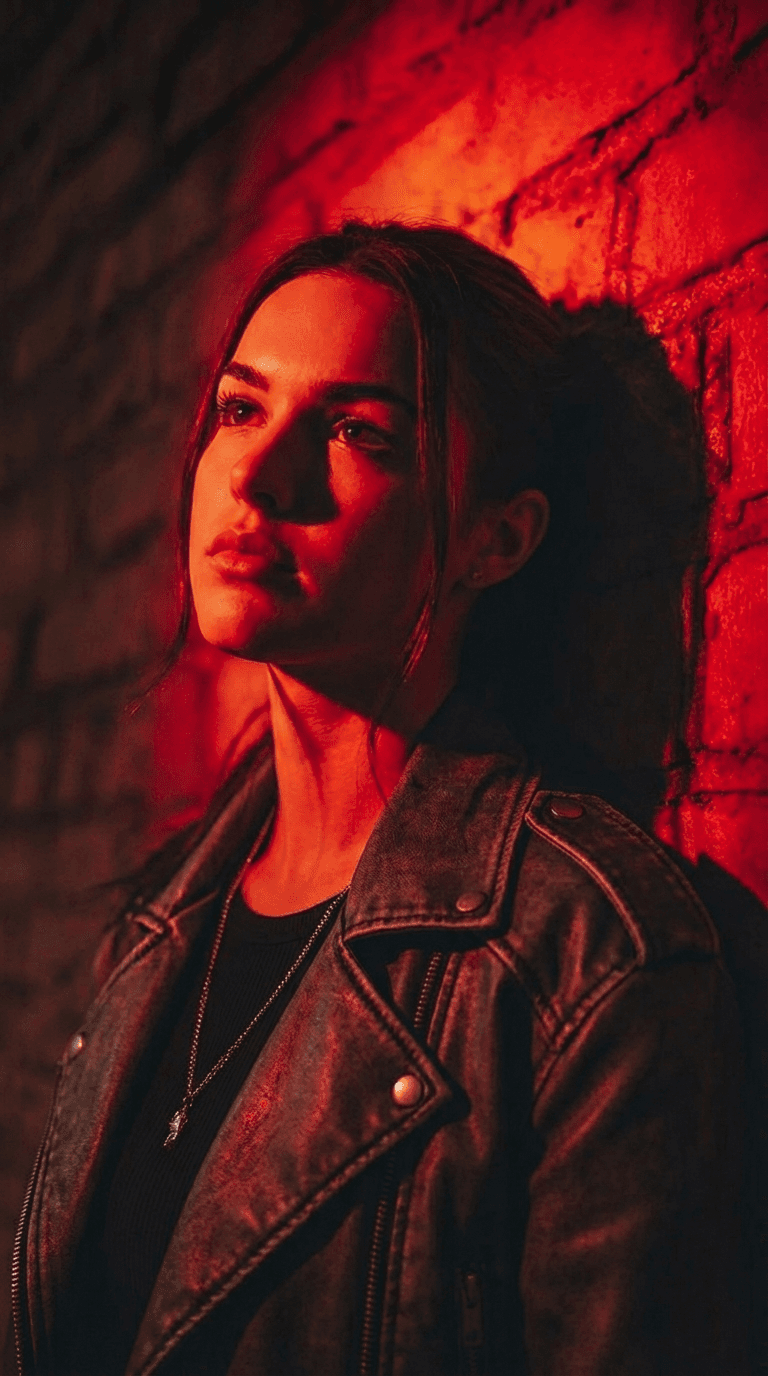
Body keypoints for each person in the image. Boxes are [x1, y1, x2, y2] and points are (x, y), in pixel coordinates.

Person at [8, 222, 748, 1376]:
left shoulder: (585, 951)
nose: (257, 475)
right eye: (242, 408)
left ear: (498, 542)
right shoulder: (156, 923)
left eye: (357, 431)